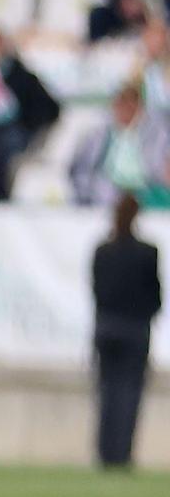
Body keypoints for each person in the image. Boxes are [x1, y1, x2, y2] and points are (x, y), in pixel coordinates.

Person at [91, 194, 159, 470]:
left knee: (107, 394)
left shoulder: (103, 251)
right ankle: (122, 454)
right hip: (134, 330)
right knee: (129, 396)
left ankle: (106, 453)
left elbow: (96, 290)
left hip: (107, 327)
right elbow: (155, 295)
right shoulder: (147, 252)